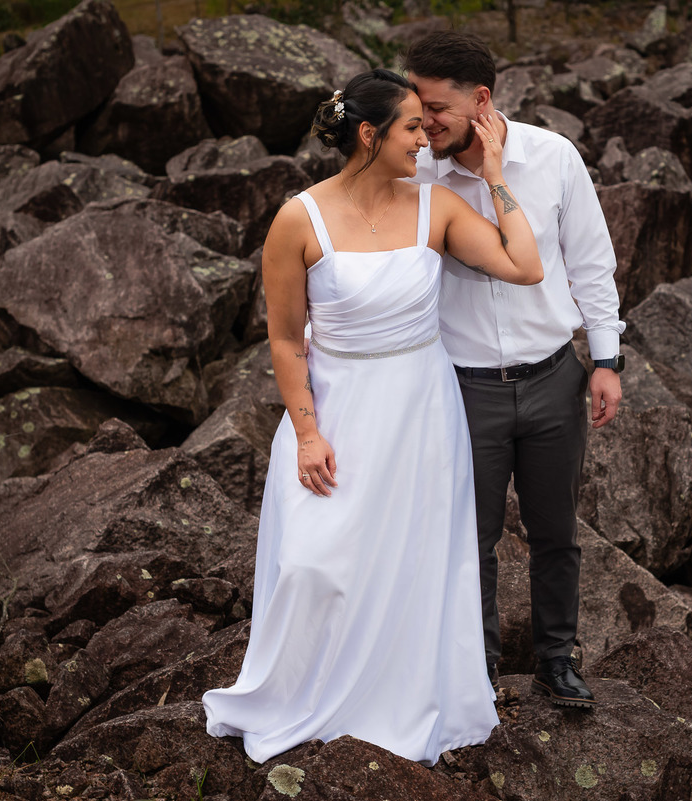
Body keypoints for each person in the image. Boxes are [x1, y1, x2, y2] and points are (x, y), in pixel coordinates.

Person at [202, 68, 543, 766]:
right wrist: (305, 431)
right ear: (369, 134)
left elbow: (525, 265)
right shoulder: (300, 217)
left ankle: (400, 702)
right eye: (413, 127)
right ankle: (304, 697)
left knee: (416, 562)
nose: (427, 139)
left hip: (421, 409)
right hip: (337, 410)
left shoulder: (436, 207)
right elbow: (285, 337)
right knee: (314, 562)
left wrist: (498, 174)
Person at [405, 32, 625, 709]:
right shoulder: (419, 175)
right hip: (463, 386)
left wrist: (606, 358)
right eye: (415, 108)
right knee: (471, 538)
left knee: (557, 531)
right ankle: (480, 669)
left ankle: (558, 660)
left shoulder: (553, 156)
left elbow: (591, 261)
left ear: (481, 101)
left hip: (555, 377)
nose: (423, 124)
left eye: (435, 109)